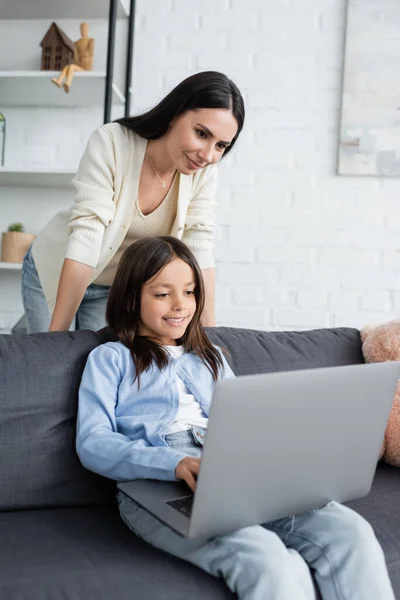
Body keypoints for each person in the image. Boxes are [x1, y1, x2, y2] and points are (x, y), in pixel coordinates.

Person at [76, 236, 394, 600]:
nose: (181, 305)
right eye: (163, 294)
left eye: (190, 291)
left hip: (233, 473)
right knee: (266, 556)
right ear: (132, 299)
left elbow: (244, 422)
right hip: (157, 482)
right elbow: (93, 443)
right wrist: (175, 462)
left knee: (349, 531)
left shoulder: (209, 357)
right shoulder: (111, 358)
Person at [21, 71, 244, 333]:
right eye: (201, 134)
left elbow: (200, 250)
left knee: (88, 362)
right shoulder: (113, 142)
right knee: (50, 359)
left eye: (221, 146)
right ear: (175, 114)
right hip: (58, 270)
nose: (208, 155)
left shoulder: (203, 172)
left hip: (112, 289)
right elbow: (87, 238)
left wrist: (211, 338)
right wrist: (55, 338)